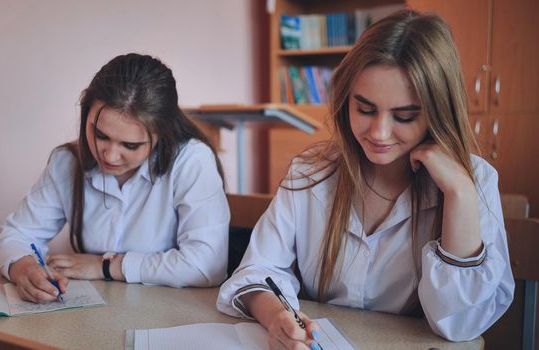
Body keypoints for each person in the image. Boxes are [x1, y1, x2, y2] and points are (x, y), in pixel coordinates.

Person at [216, 10, 514, 348]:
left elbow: (459, 325)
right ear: (346, 100)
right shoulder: (310, 172)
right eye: (365, 109)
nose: (379, 133)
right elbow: (257, 271)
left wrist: (459, 194)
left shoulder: (474, 182)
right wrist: (277, 318)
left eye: (404, 116)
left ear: (438, 112)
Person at [0, 53, 230, 303]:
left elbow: (207, 265)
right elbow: (17, 234)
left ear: (162, 134)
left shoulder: (192, 161)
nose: (110, 155)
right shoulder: (67, 161)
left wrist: (107, 266)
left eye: (130, 145)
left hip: (168, 313)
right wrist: (23, 267)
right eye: (99, 135)